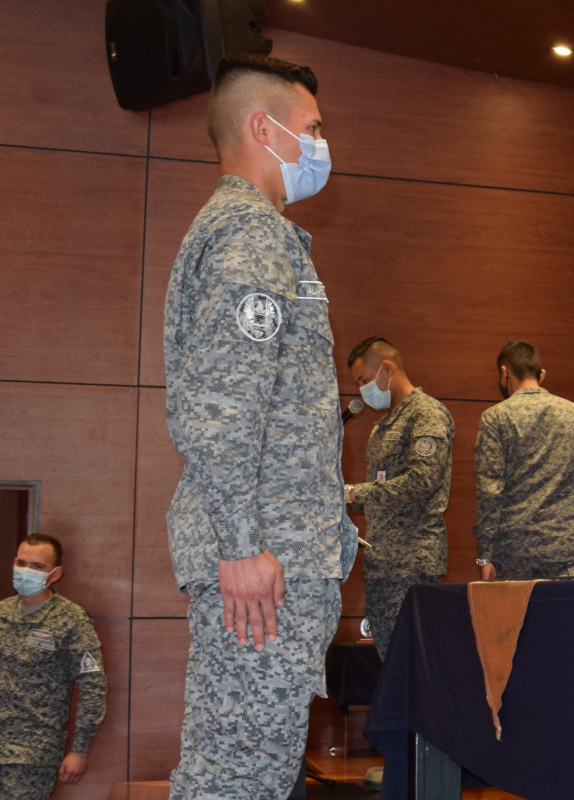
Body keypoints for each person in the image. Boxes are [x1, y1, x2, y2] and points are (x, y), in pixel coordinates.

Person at [163, 54, 356, 798]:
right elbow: (222, 407)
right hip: (263, 559)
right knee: (238, 777)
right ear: (262, 128)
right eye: (312, 128)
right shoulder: (252, 236)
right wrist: (241, 546)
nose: (320, 144)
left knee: (243, 770)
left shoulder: (245, 233)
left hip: (269, 551)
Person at [344, 336, 454, 658]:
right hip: (382, 562)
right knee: (390, 660)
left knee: (415, 660)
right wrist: (343, 497)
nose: (362, 390)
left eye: (364, 380)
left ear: (387, 368)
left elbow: (422, 480)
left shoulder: (426, 413)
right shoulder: (383, 426)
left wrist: (355, 492)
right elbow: (381, 491)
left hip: (412, 562)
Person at [473, 341, 574, 581]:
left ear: (504, 373)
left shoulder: (495, 418)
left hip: (511, 557)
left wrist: (484, 558)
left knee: (513, 610)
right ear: (542, 374)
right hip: (565, 554)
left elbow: (489, 493)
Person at [0, 534, 106, 800]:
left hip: (30, 754)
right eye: (22, 563)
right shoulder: (2, 612)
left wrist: (80, 750)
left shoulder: (72, 620)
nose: (26, 571)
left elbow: (93, 687)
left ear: (55, 573)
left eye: (37, 567)